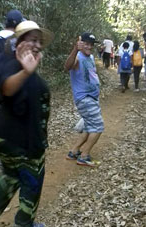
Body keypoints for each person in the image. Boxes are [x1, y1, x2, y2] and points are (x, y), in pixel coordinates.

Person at [0, 20, 54, 227]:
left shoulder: (19, 64)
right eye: (31, 39)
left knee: (11, 174)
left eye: (39, 41)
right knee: (33, 175)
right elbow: (8, 89)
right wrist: (27, 72)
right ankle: (24, 226)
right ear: (19, 42)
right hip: (17, 137)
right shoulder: (15, 65)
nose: (37, 45)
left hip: (2, 134)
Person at [64, 32, 104, 167]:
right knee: (98, 127)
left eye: (91, 44)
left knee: (89, 126)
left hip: (92, 98)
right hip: (85, 98)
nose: (89, 47)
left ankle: (74, 151)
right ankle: (84, 156)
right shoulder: (78, 57)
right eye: (86, 44)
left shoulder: (91, 57)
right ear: (81, 44)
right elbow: (67, 66)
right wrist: (75, 49)